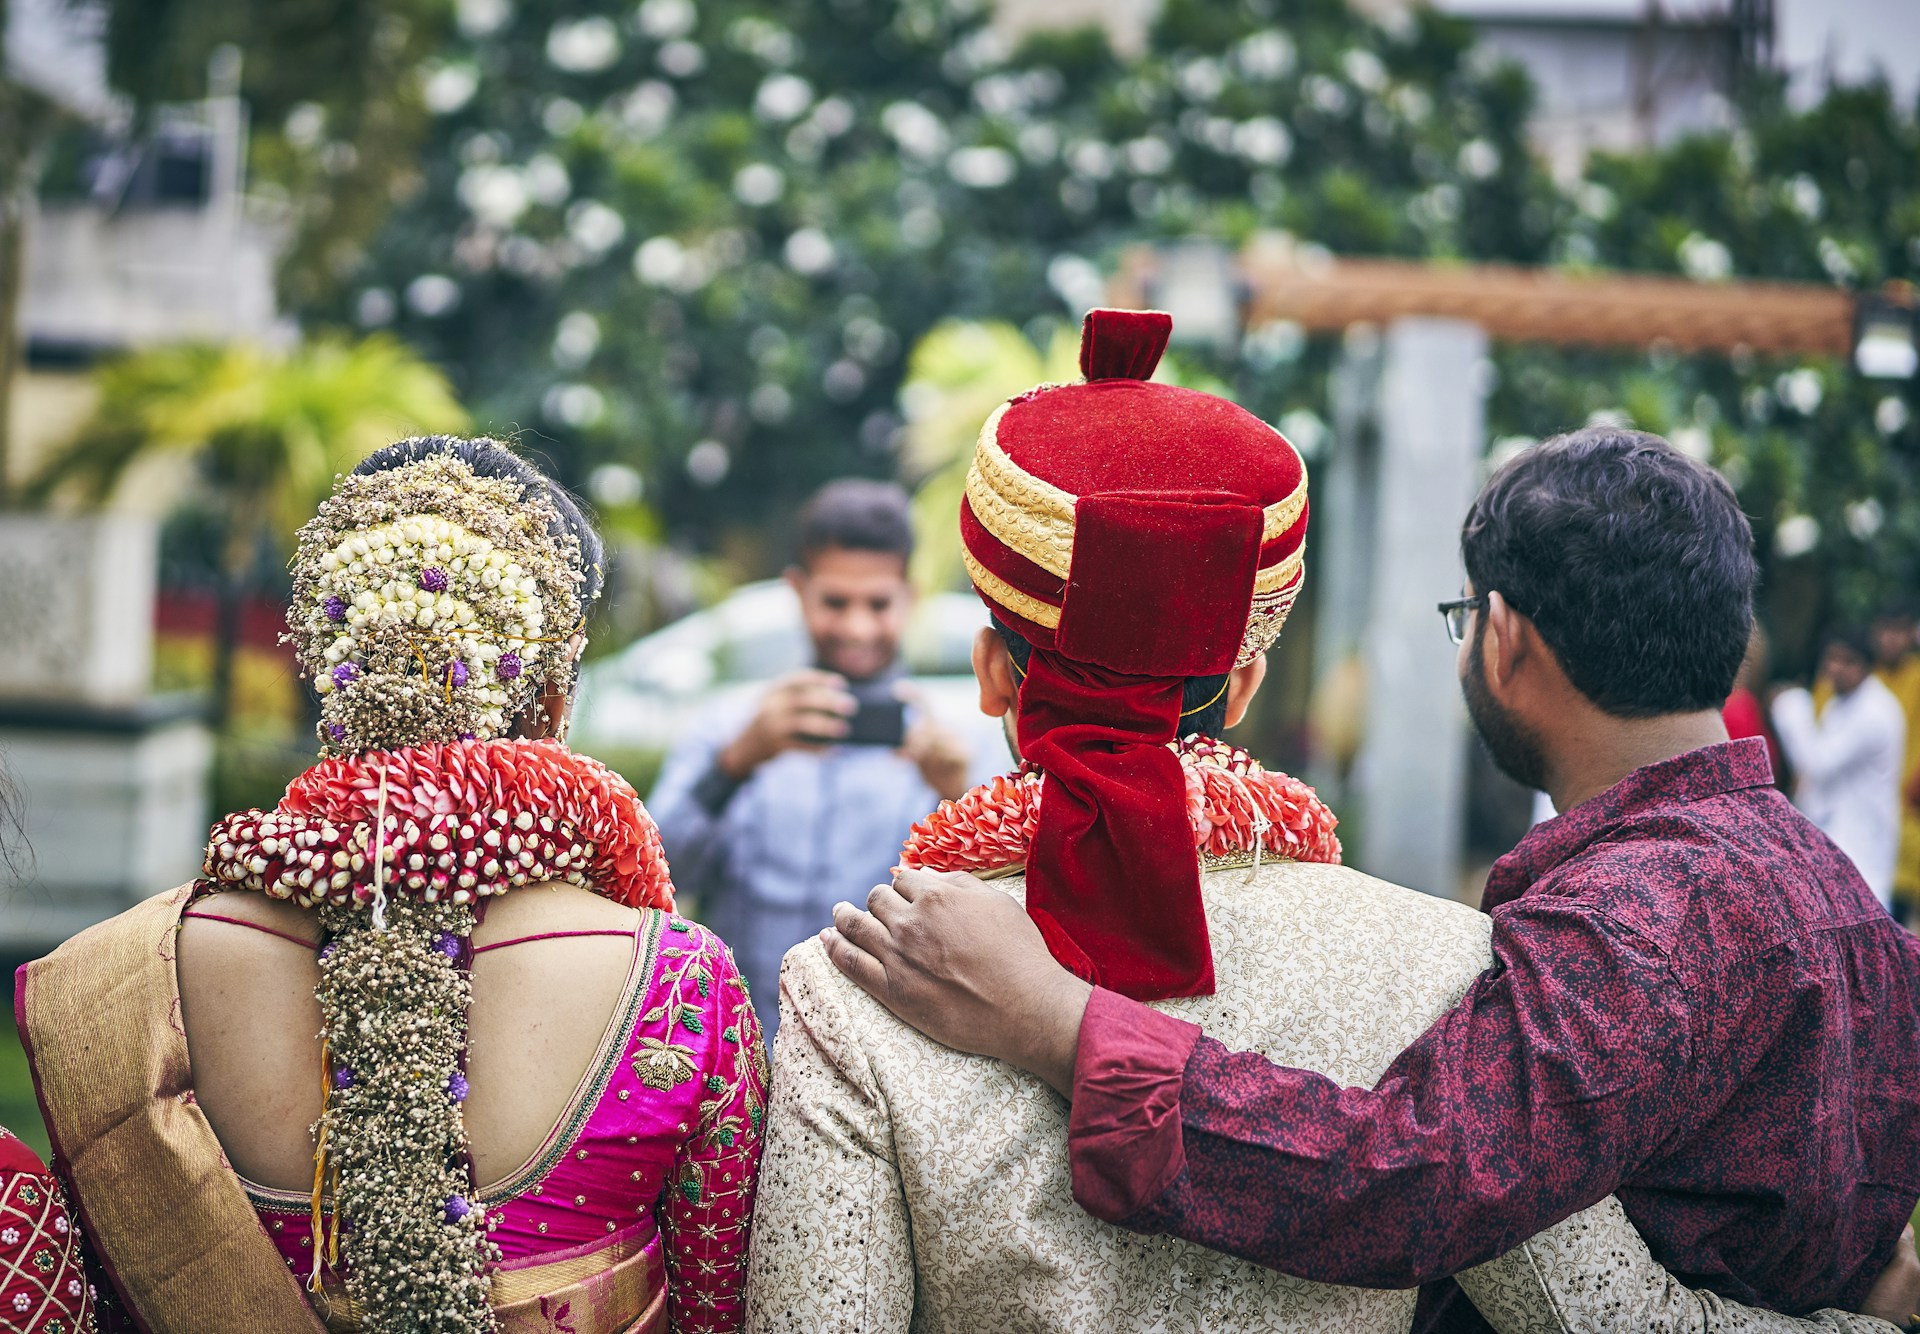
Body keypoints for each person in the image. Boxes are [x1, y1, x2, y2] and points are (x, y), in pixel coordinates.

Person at [745, 316, 1914, 1333]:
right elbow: (1595, 1310)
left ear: (992, 670)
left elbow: (1415, 1178)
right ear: (1246, 681)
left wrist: (1065, 1022)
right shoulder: (1451, 960)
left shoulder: (851, 986)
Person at [15, 438, 766, 1333]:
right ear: (555, 690)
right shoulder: (682, 987)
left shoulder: (121, 982)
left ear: (333, 670)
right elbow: (724, 1312)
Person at [650, 478, 1001, 1036]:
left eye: (878, 604)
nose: (857, 626)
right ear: (798, 589)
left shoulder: (955, 746)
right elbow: (654, 877)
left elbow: (997, 930)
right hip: (734, 1053)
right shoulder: (732, 726)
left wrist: (957, 797)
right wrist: (734, 764)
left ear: (908, 597)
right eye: (835, 602)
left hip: (877, 1066)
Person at [1774, 626, 1907, 910]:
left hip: (1862, 851)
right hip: (1836, 845)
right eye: (1831, 658)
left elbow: (1817, 763)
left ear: (1867, 666)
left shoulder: (1875, 712)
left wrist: (1790, 709)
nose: (1836, 668)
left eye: (1848, 661)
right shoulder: (1842, 702)